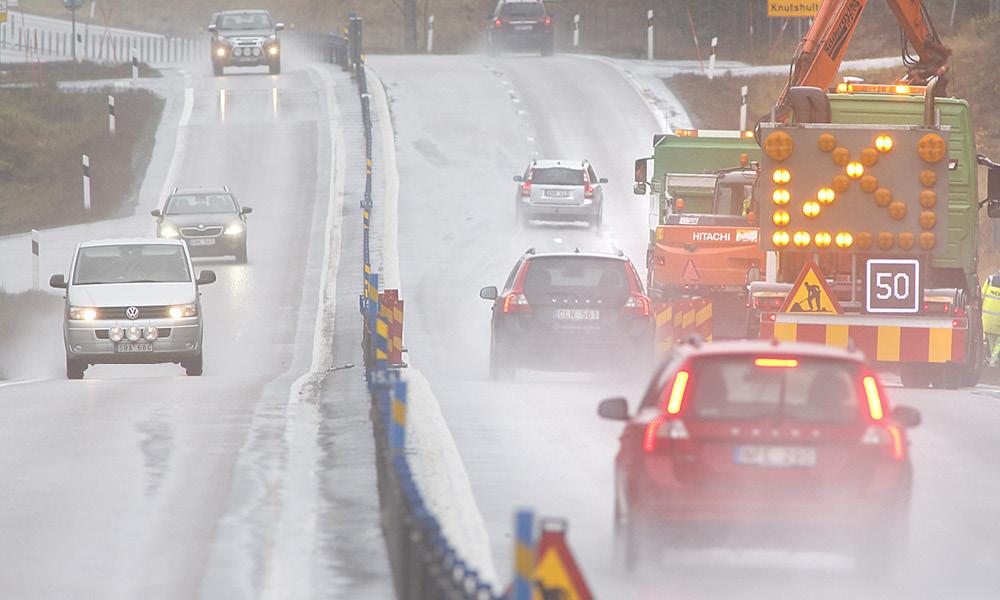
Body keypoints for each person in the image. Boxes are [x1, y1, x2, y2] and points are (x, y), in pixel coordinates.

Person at [982, 273, 1000, 366]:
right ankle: (994, 361)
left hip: (988, 321)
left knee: (992, 343)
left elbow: (981, 296)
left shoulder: (990, 279)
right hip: (998, 323)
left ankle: (992, 362)